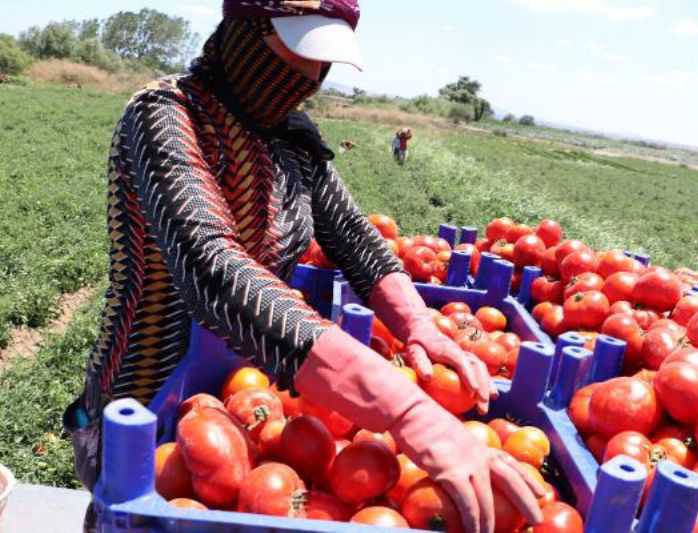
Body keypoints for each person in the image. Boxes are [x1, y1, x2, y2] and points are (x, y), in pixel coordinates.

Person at [63, 1, 543, 531]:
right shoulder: (167, 116)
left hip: (242, 392)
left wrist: (417, 325)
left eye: (323, 61)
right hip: (149, 383)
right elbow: (212, 270)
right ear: (245, 31)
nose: (311, 76)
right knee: (130, 511)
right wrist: (408, 412)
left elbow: (355, 238)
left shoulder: (289, 137)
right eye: (300, 50)